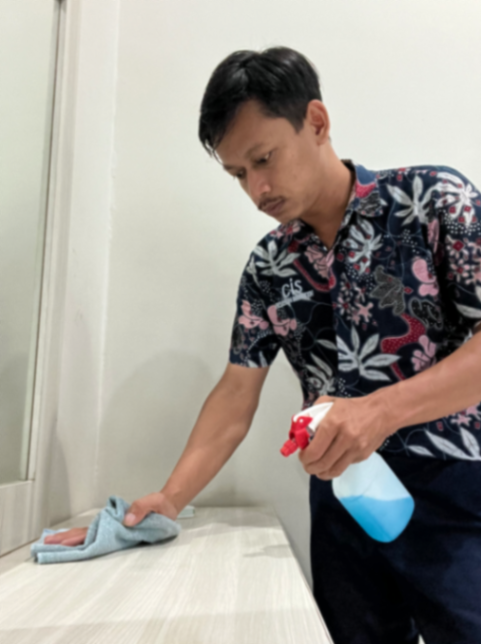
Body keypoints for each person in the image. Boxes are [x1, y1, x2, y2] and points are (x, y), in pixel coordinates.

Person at [45, 47, 481, 643]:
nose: (257, 189)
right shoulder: (269, 265)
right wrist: (170, 498)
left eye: (263, 158)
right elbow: (235, 392)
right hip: (342, 502)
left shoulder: (434, 201)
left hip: (457, 487)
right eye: (238, 174)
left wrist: (379, 411)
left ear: (317, 122)